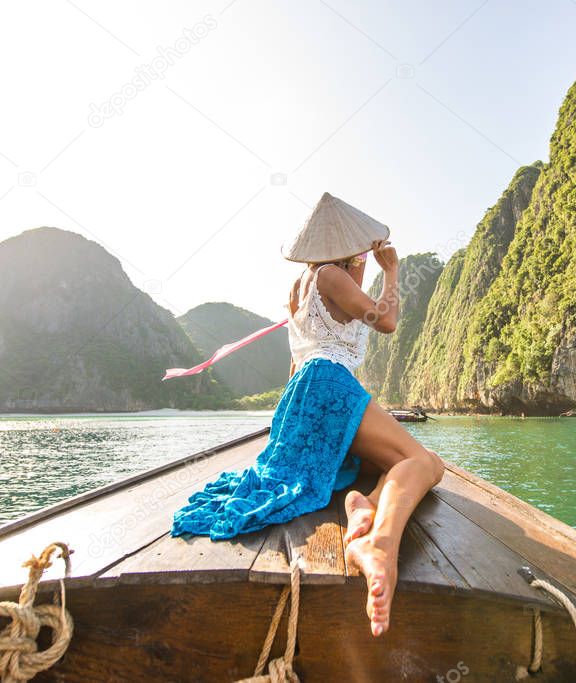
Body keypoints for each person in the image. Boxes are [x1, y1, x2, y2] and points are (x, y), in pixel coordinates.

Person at [171, 192, 444, 638]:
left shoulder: (299, 287)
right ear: (347, 250)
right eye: (360, 251)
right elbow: (387, 320)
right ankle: (380, 543)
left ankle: (365, 505)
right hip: (330, 385)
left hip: (306, 390)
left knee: (413, 464)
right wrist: (392, 270)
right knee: (422, 463)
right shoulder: (332, 276)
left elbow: (296, 363)